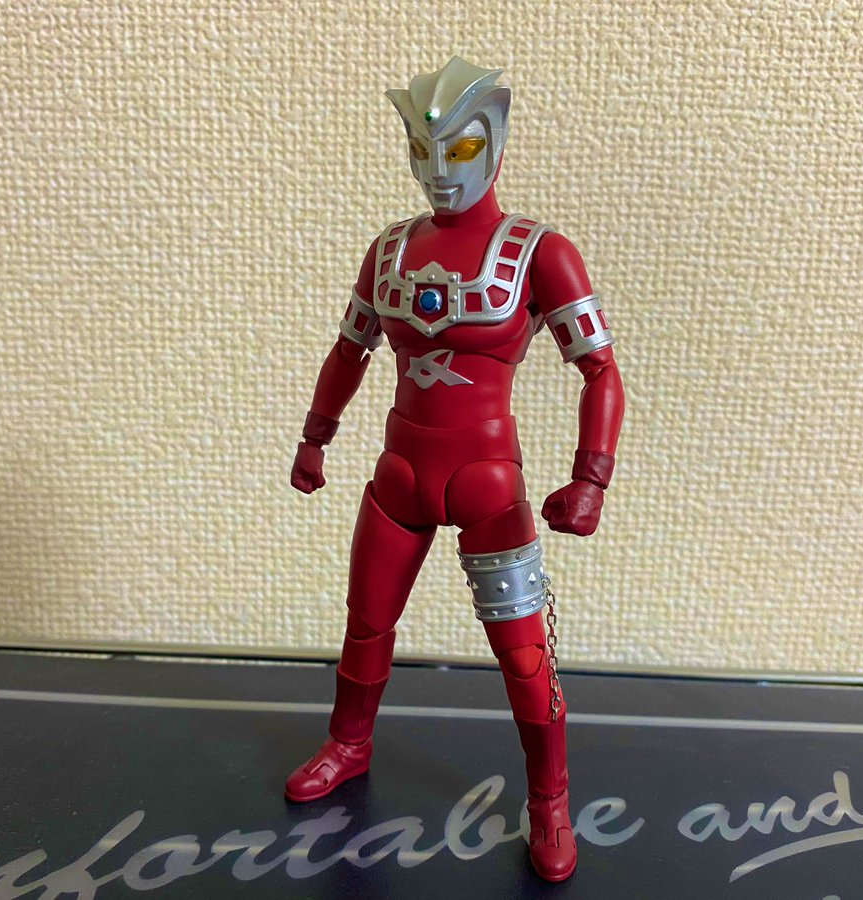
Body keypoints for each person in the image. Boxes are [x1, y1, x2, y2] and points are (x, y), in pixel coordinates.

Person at [285, 56, 624, 882]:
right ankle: (348, 743)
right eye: (421, 148)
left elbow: (601, 370)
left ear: (496, 141)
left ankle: (549, 799)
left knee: (523, 657)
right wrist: (315, 437)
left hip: (487, 484)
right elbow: (349, 350)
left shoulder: (540, 252)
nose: (439, 170)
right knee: (366, 624)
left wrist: (591, 478)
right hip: (399, 474)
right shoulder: (390, 249)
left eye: (461, 149)